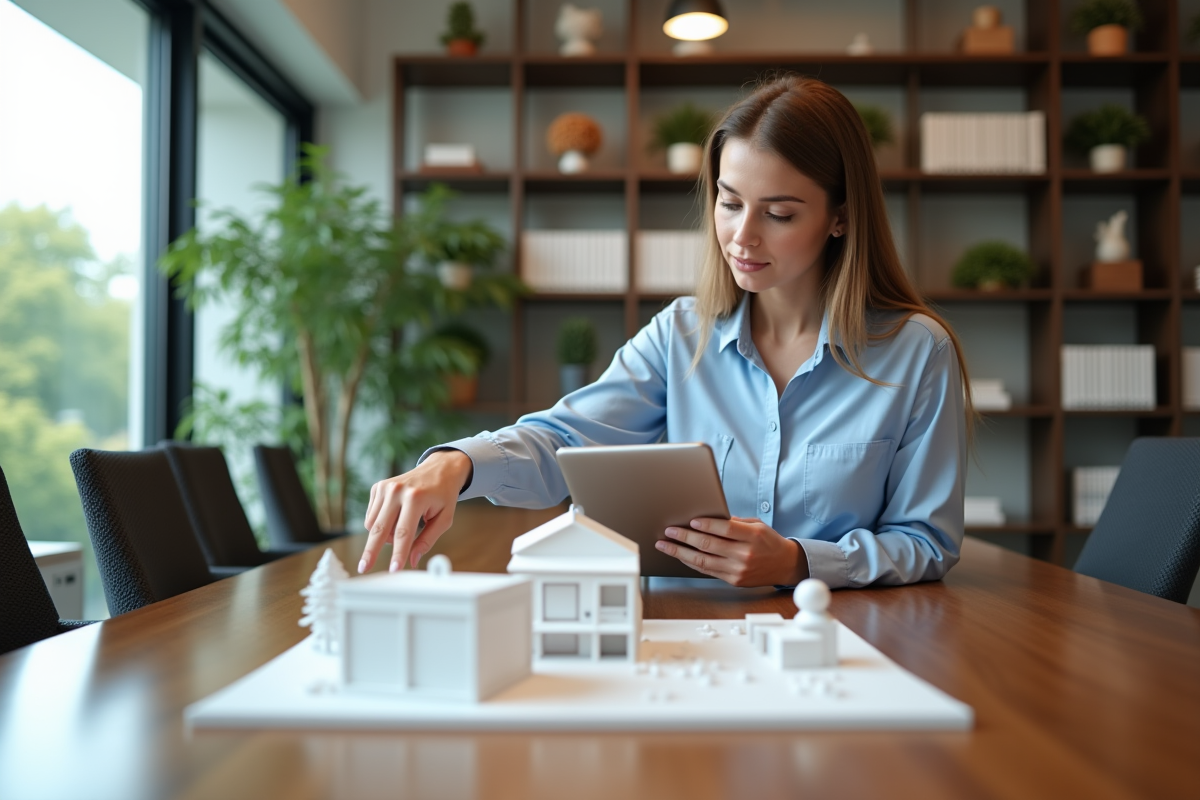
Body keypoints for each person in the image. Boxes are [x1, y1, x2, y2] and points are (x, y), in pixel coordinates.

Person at [358, 75, 972, 589]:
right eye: (729, 203)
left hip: (838, 641)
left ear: (841, 217)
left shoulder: (917, 352)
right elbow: (565, 441)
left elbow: (926, 542)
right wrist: (455, 464)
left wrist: (798, 561)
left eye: (779, 213)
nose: (742, 236)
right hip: (682, 636)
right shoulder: (681, 335)